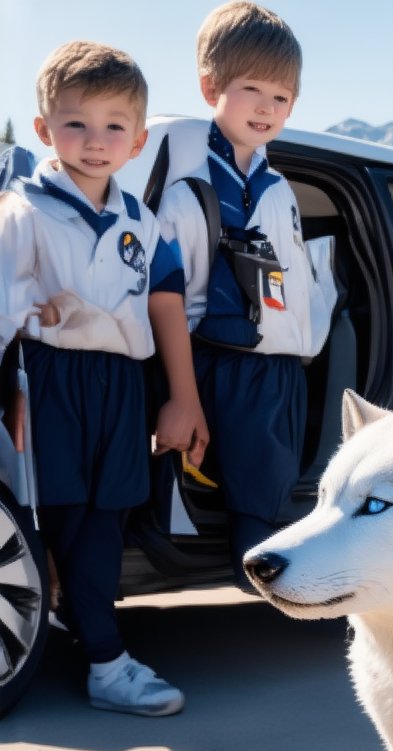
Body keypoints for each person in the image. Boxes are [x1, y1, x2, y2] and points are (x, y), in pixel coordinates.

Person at [0, 41, 207, 715]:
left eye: (115, 125)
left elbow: (163, 304)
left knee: (105, 517)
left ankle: (99, 652)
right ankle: (101, 650)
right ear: (43, 131)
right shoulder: (21, 212)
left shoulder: (141, 225)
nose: (96, 141)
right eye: (76, 124)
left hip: (119, 384)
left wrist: (181, 396)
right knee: (52, 514)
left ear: (139, 139)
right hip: (48, 377)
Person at [156, 1, 322, 585]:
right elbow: (170, 297)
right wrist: (185, 392)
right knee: (253, 510)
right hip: (221, 364)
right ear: (211, 87)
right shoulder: (189, 189)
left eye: (282, 97)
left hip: (278, 370)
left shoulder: (278, 189)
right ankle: (272, 600)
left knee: (269, 492)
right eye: (252, 88)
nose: (267, 107)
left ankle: (274, 594)